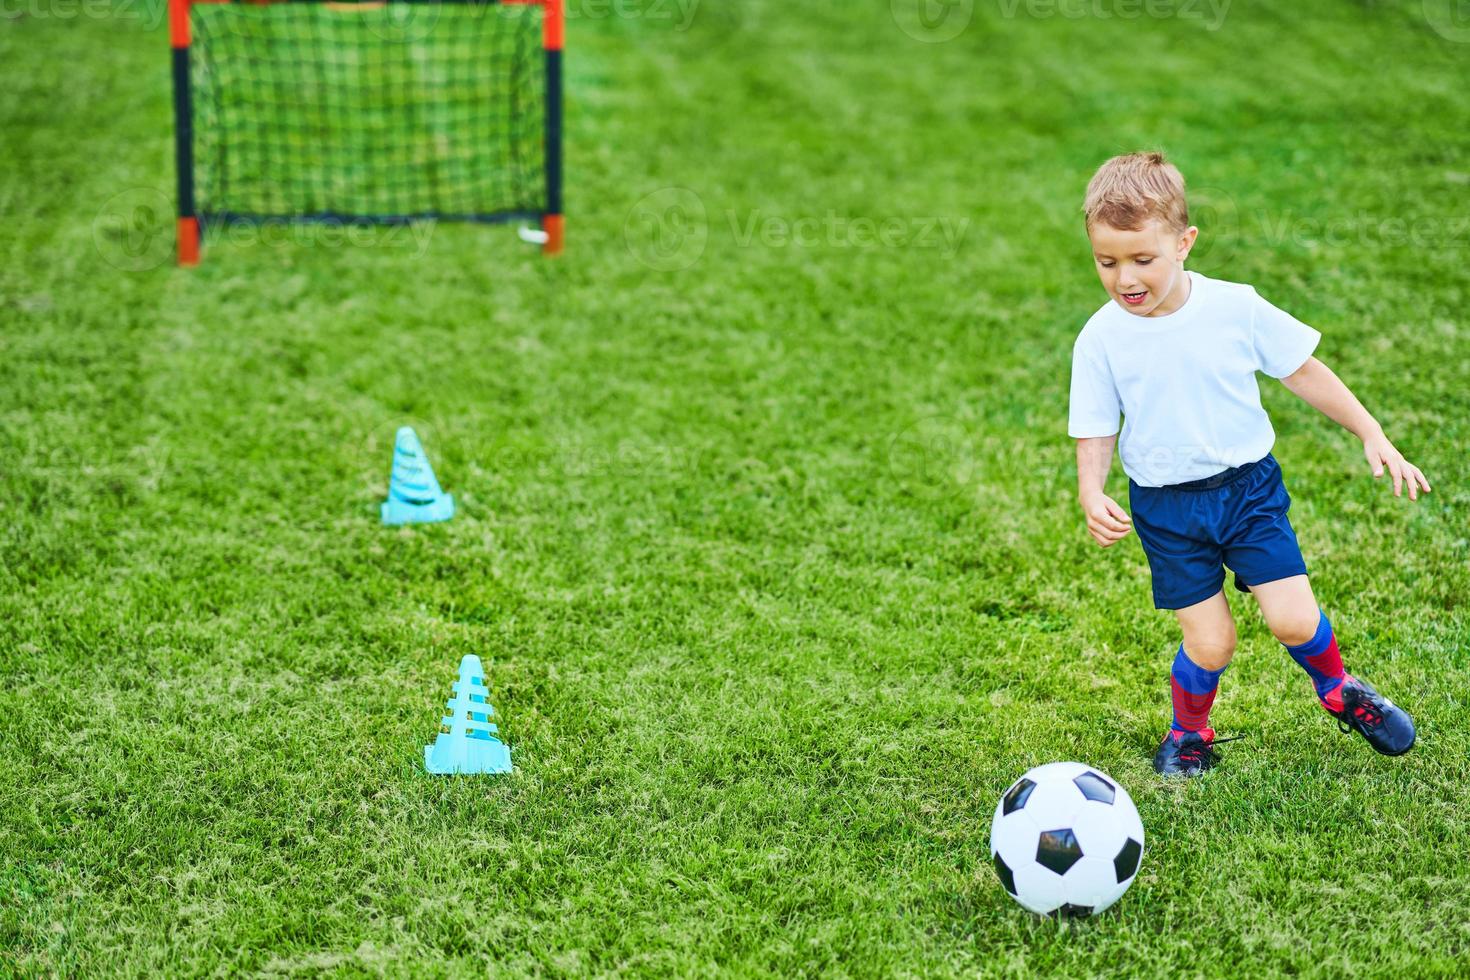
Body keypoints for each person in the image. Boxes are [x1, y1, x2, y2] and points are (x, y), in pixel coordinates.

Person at [1067, 152, 1431, 777]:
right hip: (1167, 508)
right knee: (1212, 643)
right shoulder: (1101, 337)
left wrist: (1371, 430)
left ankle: (1340, 689)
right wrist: (1090, 489)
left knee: (1292, 620)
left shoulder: (1234, 307)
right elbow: (1097, 425)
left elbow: (1303, 370)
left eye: (1142, 259)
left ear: (1184, 244)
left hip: (1247, 491)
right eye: (1107, 261)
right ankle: (1188, 734)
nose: (1125, 276)